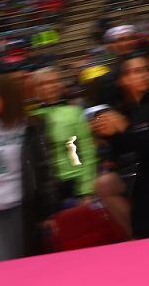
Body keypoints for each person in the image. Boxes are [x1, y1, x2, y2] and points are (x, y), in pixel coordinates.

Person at [0, 74, 56, 263]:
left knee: (26, 266)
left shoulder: (32, 128)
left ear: (8, 97)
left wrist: (47, 212)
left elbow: (44, 171)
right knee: (2, 267)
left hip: (21, 208)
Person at [91, 53, 149, 239]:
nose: (143, 75)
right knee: (105, 185)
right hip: (139, 175)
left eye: (146, 70)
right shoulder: (125, 107)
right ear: (123, 80)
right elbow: (123, 149)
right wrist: (106, 135)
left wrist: (124, 128)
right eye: (136, 71)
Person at [30, 67, 97, 206]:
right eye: (43, 83)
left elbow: (87, 151)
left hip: (75, 180)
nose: (50, 86)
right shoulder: (31, 118)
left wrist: (86, 190)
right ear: (36, 89)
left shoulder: (74, 112)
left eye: (54, 82)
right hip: (46, 187)